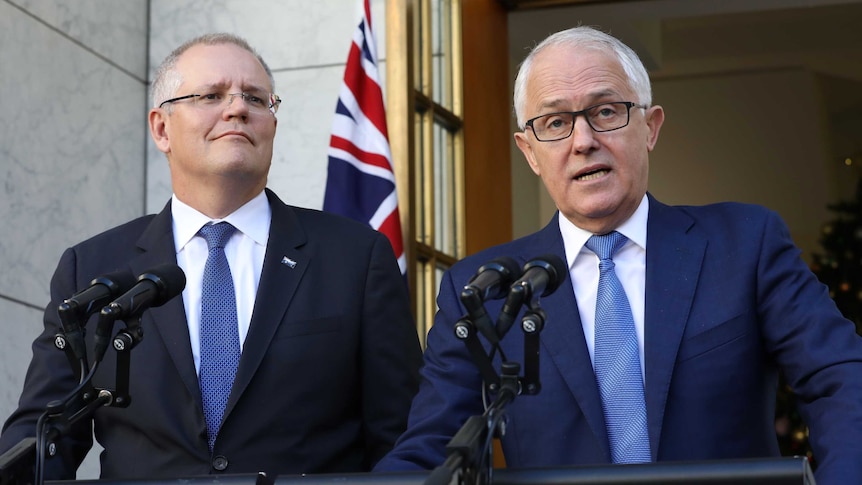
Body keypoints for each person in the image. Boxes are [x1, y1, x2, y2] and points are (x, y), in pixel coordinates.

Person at [373, 26, 862, 484]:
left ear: (650, 127)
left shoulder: (744, 242)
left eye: (606, 112)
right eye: (556, 122)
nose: (583, 141)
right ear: (529, 152)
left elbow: (840, 378)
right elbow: (432, 447)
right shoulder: (483, 289)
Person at [0, 33, 422, 480]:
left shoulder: (355, 258)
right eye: (211, 95)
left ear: (272, 127)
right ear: (162, 128)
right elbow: (44, 436)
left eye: (257, 99)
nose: (238, 108)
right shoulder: (92, 268)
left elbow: (402, 436)